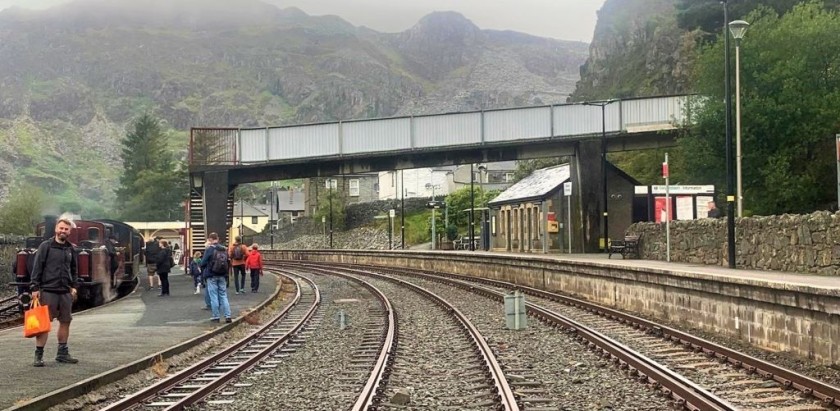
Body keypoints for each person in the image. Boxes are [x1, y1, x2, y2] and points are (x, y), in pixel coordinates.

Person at [29, 218, 80, 367]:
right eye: (61, 228)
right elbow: (37, 267)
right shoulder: (45, 246)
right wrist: (35, 288)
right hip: (48, 290)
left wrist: (74, 286)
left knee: (65, 321)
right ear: (56, 229)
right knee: (44, 324)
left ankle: (62, 353)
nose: (63, 231)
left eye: (66, 229)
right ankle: (38, 355)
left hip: (65, 291)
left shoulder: (71, 249)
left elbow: (74, 269)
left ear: (70, 232)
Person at [200, 233, 232, 323]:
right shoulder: (224, 249)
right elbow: (228, 262)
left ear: (210, 239)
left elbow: (203, 263)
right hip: (222, 275)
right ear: (217, 239)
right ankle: (228, 315)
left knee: (213, 296)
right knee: (223, 295)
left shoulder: (209, 249)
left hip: (211, 275)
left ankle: (216, 316)